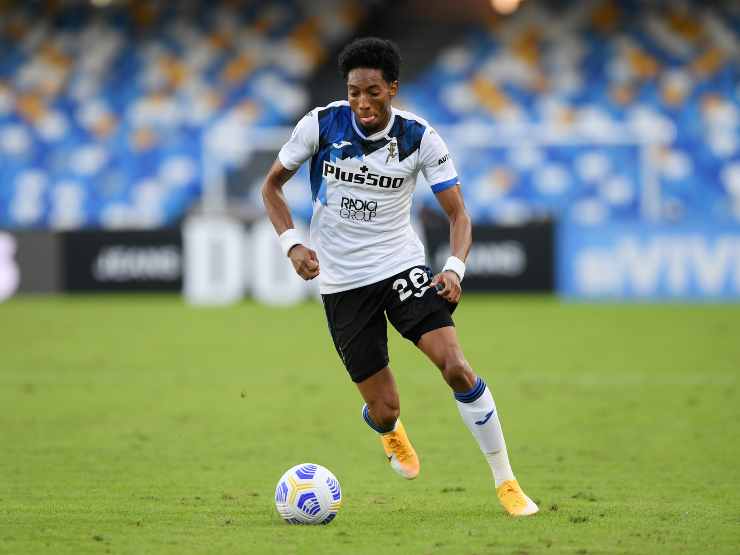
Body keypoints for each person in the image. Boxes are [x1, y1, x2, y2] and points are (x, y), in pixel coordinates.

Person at [261, 37, 538, 516]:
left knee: (456, 366)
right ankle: (390, 432)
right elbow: (271, 188)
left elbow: (459, 216)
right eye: (353, 92)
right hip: (342, 283)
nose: (362, 103)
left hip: (399, 266)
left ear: (392, 88)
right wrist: (292, 245)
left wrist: (454, 268)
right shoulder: (320, 125)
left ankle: (506, 481)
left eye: (372, 91)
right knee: (386, 407)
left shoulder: (419, 138)